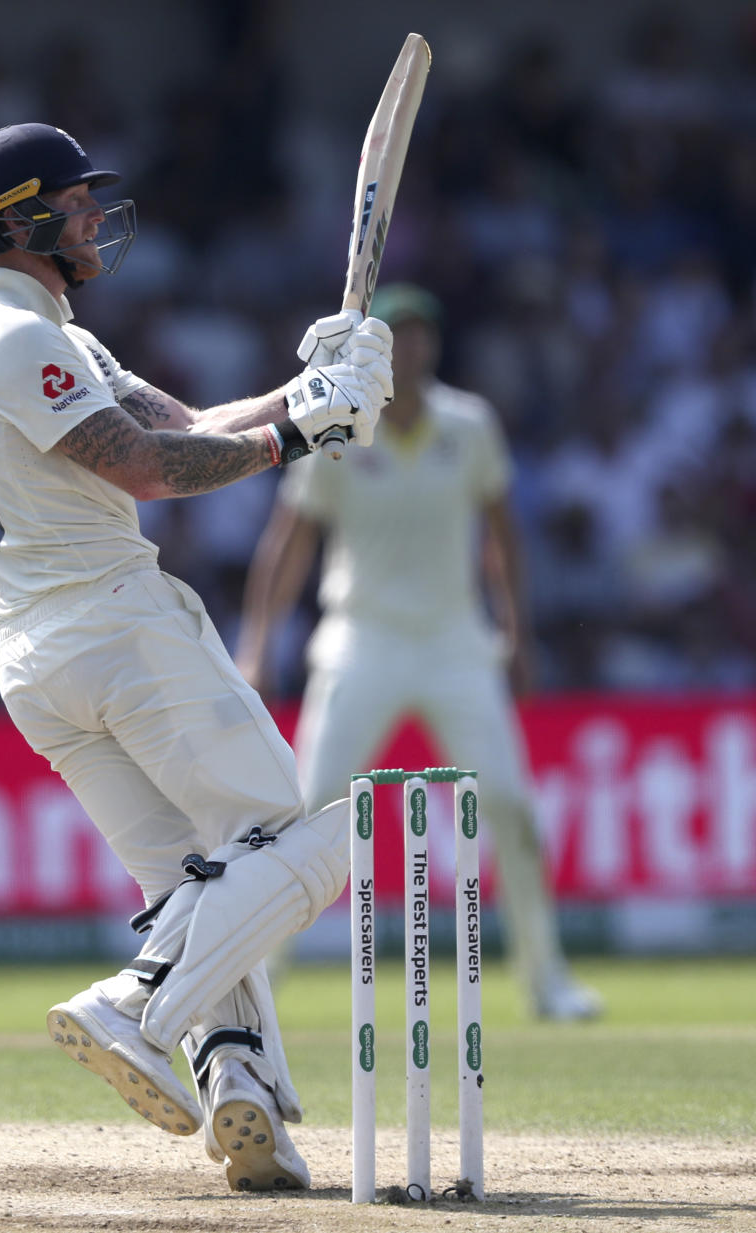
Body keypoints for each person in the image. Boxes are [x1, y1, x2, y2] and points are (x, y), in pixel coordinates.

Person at [0, 122, 394, 1191]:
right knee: (299, 840)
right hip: (112, 628)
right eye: (76, 200)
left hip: (41, 662)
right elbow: (149, 469)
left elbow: (190, 421)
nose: (97, 216)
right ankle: (137, 1003)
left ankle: (240, 1091)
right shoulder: (19, 343)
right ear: (20, 221)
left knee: (196, 877)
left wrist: (309, 393)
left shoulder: (55, 339)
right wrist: (301, 438)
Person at [237, 282, 602, 1021]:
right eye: (395, 335)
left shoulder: (469, 425)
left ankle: (546, 978)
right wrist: (257, 642)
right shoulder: (337, 429)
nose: (409, 347)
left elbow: (503, 537)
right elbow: (288, 543)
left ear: (435, 345)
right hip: (359, 637)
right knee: (307, 810)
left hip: (455, 641)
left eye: (420, 335)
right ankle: (260, 978)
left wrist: (518, 635)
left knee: (509, 804)